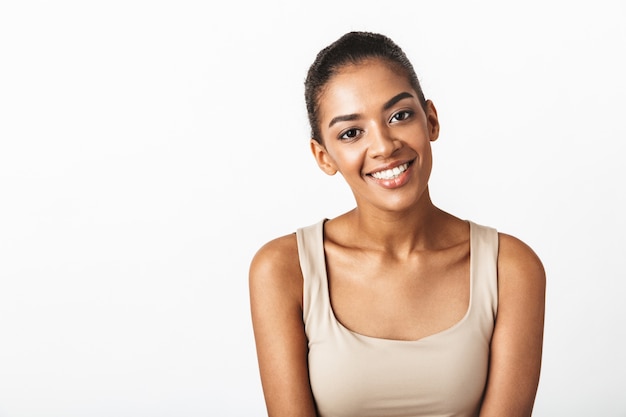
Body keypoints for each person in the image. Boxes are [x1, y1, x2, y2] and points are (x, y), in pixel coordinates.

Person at [249, 31, 545, 417]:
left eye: (399, 115)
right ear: (324, 157)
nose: (385, 146)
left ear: (431, 121)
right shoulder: (284, 269)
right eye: (352, 133)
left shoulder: (511, 268)